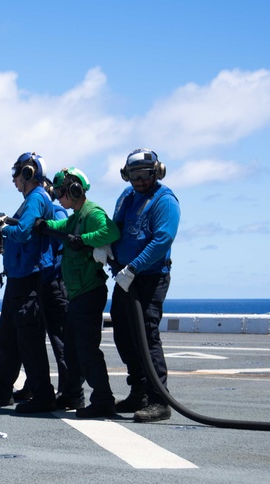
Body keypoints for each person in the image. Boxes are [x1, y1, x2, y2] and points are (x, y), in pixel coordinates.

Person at [0, 152, 59, 413]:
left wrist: (1, 228)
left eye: (17, 174)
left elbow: (22, 233)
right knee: (9, 338)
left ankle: (43, 395)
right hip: (18, 279)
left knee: (28, 340)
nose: (14, 180)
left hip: (28, 280)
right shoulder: (33, 200)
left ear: (28, 174)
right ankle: (2, 389)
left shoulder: (35, 199)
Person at [38, 168, 120, 418]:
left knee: (86, 348)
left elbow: (111, 232)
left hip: (89, 292)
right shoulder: (75, 218)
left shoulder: (92, 213)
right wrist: (44, 225)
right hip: (77, 295)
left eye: (61, 193)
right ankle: (73, 393)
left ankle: (103, 399)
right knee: (73, 348)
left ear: (74, 191)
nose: (59, 199)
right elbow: (61, 225)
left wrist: (84, 240)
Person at [109, 149, 180, 423]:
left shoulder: (165, 200)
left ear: (157, 172)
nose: (139, 181)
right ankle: (138, 391)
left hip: (149, 277)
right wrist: (108, 250)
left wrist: (134, 267)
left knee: (147, 336)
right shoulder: (127, 197)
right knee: (124, 335)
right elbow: (116, 227)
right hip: (124, 277)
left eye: (145, 175)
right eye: (134, 175)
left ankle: (158, 400)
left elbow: (162, 239)